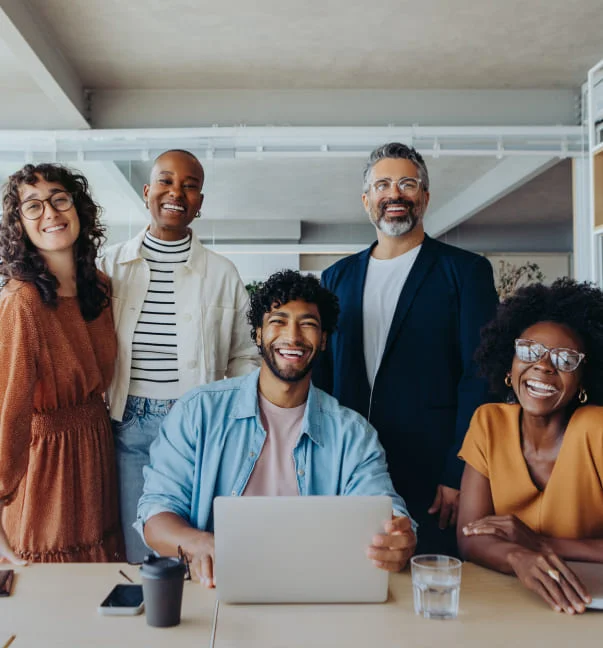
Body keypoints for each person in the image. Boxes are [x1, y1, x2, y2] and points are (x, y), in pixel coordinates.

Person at [137, 270, 416, 586]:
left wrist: (398, 536)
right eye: (278, 321)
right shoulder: (197, 412)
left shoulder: (353, 434)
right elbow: (156, 514)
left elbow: (383, 506)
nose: (293, 336)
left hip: (317, 588)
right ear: (258, 334)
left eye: (308, 324)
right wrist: (203, 545)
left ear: (323, 339)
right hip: (216, 586)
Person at [313, 142, 498, 554]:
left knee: (430, 581)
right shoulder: (335, 278)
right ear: (367, 201)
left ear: (425, 198)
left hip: (433, 472)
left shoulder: (465, 272)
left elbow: (479, 377)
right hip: (350, 467)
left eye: (407, 184)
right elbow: (321, 380)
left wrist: (458, 472)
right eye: (382, 185)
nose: (394, 194)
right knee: (356, 572)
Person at [99, 149, 259, 561]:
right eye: (167, 182)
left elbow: (245, 356)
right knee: (145, 549)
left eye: (190, 186)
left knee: (199, 541)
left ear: (200, 203)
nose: (177, 192)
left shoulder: (222, 273)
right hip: (128, 423)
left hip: (198, 423)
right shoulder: (111, 265)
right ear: (148, 190)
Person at [0, 163, 123, 563]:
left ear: (78, 210)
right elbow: (8, 414)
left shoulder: (100, 287)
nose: (50, 213)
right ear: (19, 225)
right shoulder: (23, 301)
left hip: (97, 453)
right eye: (32, 206)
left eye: (59, 200)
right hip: (48, 468)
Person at [457, 278, 603, 614]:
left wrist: (539, 544)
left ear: (583, 381)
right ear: (510, 366)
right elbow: (469, 536)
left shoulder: (596, 429)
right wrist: (517, 557)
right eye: (529, 351)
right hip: (509, 600)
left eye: (565, 360)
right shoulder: (488, 422)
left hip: (587, 603)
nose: (544, 366)